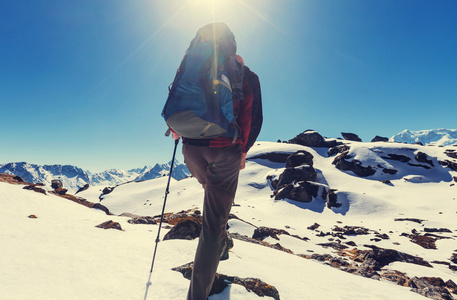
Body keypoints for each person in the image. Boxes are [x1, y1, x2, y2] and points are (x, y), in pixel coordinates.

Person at [171, 53, 262, 299]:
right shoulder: (245, 74)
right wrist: (243, 149)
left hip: (191, 147)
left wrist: (175, 129)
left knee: (211, 194)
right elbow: (253, 117)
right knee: (214, 223)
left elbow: (178, 102)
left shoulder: (191, 64)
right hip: (224, 148)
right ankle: (198, 294)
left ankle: (221, 242)